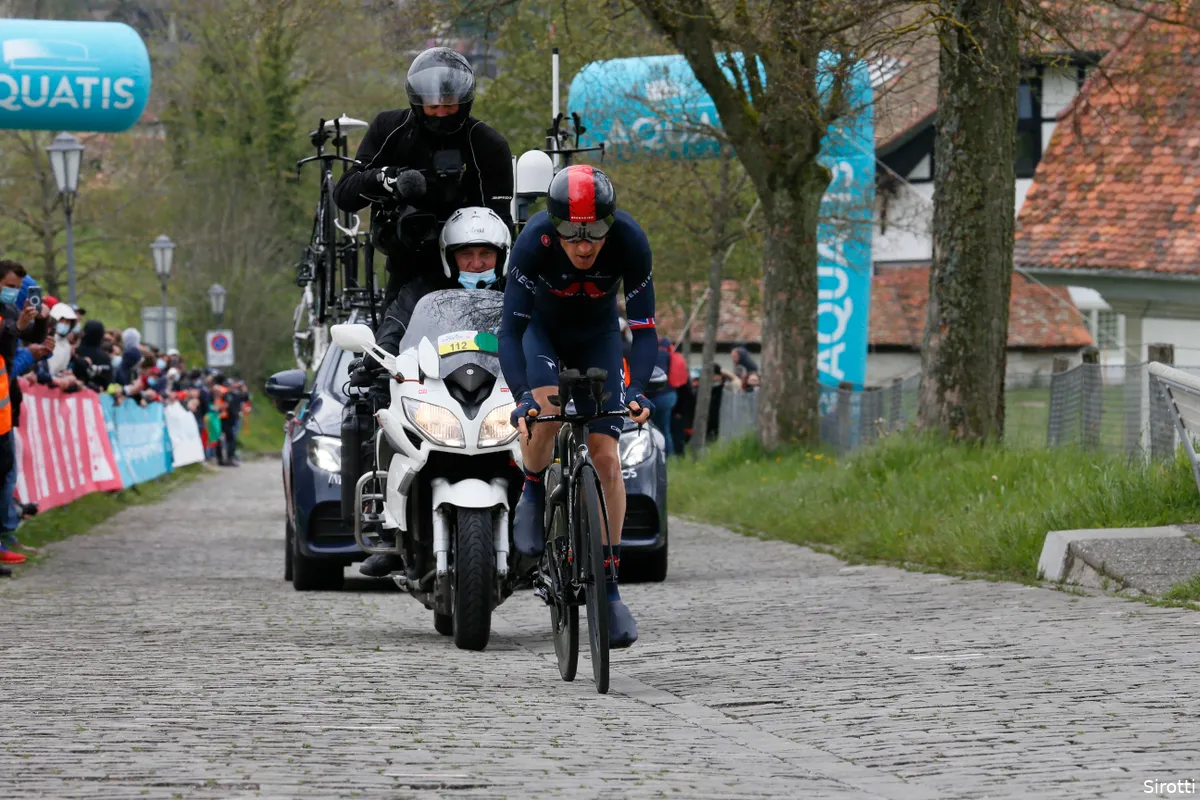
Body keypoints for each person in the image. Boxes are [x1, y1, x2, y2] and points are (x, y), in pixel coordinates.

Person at [497, 164, 655, 648]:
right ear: (554, 226)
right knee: (543, 419)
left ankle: (608, 591)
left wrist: (639, 389)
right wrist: (523, 394)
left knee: (607, 457)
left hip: (599, 337)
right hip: (542, 334)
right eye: (571, 234)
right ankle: (530, 490)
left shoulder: (631, 240)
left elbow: (644, 330)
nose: (584, 246)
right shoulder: (533, 242)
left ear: (610, 224)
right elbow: (510, 330)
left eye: (594, 234)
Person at [357, 206, 512, 578]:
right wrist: (377, 359)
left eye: (485, 254)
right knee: (382, 420)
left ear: (502, 256)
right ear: (449, 257)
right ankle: (390, 528)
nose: (476, 263)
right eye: (466, 254)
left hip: (500, 391)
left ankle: (551, 528)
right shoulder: (422, 290)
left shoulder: (519, 289)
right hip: (438, 393)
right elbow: (393, 330)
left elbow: (542, 332)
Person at [333, 47, 514, 306]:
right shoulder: (389, 129)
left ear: (464, 103)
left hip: (472, 269)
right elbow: (344, 194)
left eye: (449, 106)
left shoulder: (488, 144)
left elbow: (502, 222)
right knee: (394, 337)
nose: (441, 114)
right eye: (433, 107)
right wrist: (388, 180)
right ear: (418, 103)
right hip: (408, 263)